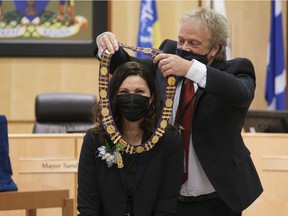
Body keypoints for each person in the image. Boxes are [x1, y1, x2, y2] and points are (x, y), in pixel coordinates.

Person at [94, 7, 263, 216]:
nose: (183, 48)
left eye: (194, 44)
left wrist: (190, 68)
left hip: (219, 198)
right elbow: (130, 67)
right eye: (181, 40)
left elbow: (241, 93)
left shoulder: (236, 69)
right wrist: (107, 47)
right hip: (169, 198)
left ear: (214, 48)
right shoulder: (167, 58)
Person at [77, 61, 184, 216]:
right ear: (113, 96)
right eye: (124, 92)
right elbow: (88, 205)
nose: (132, 97)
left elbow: (166, 205)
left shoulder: (169, 140)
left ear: (152, 97)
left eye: (140, 91)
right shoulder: (95, 140)